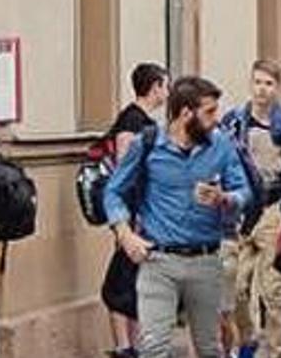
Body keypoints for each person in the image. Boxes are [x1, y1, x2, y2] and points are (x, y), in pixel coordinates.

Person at [104, 76, 253, 358]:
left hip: (206, 259)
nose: (215, 118)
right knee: (154, 348)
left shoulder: (220, 145)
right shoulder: (147, 144)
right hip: (158, 259)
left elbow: (244, 191)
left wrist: (224, 199)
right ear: (186, 113)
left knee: (209, 348)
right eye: (209, 112)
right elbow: (113, 192)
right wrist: (125, 234)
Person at [218, 60, 281, 358]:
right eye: (258, 82)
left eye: (269, 83)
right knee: (236, 287)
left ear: (277, 88)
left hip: (274, 208)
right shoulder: (234, 121)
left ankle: (276, 350)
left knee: (272, 290)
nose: (262, 90)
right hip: (242, 210)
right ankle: (247, 339)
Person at [101, 62, 170, 358]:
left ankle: (133, 345)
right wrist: (132, 217)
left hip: (137, 214)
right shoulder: (132, 122)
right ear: (155, 87)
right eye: (165, 86)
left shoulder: (143, 121)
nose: (167, 92)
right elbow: (125, 172)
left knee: (134, 280)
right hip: (131, 217)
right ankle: (124, 347)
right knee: (123, 281)